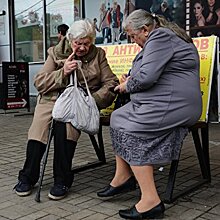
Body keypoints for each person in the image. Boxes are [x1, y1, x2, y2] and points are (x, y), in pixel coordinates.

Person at [97, 9, 202, 219]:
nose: (134, 41)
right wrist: (131, 77)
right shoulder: (161, 36)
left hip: (176, 104)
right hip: (165, 100)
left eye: (134, 36)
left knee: (131, 127)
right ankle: (123, 176)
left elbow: (146, 78)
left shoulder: (160, 36)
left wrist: (127, 86)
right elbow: (151, 71)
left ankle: (151, 200)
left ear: (144, 29)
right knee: (118, 117)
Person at [14, 18, 119, 200]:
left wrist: (91, 101)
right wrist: (62, 73)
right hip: (51, 100)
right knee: (39, 132)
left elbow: (111, 82)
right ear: (70, 40)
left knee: (66, 131)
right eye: (78, 43)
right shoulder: (56, 53)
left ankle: (61, 180)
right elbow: (39, 82)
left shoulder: (98, 54)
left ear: (92, 41)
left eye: (86, 43)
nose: (82, 48)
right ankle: (28, 177)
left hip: (79, 103)